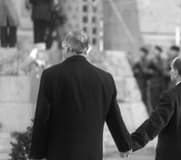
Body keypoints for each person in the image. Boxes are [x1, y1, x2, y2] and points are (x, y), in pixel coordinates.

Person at [29, 31, 132, 160]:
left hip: (59, 153)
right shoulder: (105, 79)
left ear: (66, 48)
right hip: (91, 153)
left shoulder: (50, 76)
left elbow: (42, 116)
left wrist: (37, 154)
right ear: (87, 50)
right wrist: (124, 145)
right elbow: (114, 116)